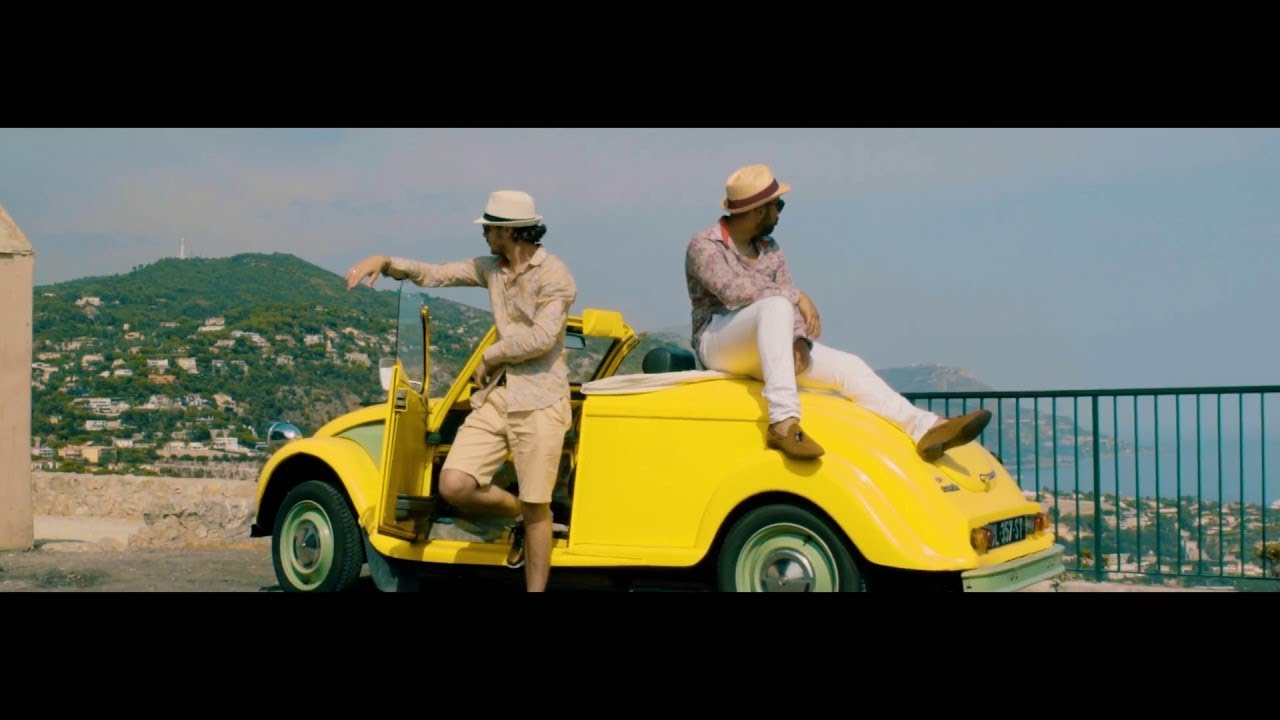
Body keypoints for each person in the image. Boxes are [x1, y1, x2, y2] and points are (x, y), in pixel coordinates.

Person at [345, 189, 576, 592]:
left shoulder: (555, 275)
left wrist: (491, 355)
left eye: (489, 227)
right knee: (454, 484)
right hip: (499, 397)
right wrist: (385, 262)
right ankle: (519, 517)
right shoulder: (491, 270)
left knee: (539, 507)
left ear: (512, 231)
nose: (483, 233)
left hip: (541, 401)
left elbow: (542, 338)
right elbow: (437, 274)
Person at [684, 164, 991, 461]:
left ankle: (925, 428)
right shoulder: (705, 245)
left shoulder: (770, 248)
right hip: (718, 341)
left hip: (765, 343)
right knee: (776, 304)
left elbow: (785, 307)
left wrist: (799, 341)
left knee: (848, 367)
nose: (780, 213)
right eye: (779, 205)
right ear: (760, 210)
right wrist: (797, 296)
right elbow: (733, 292)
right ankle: (783, 422)